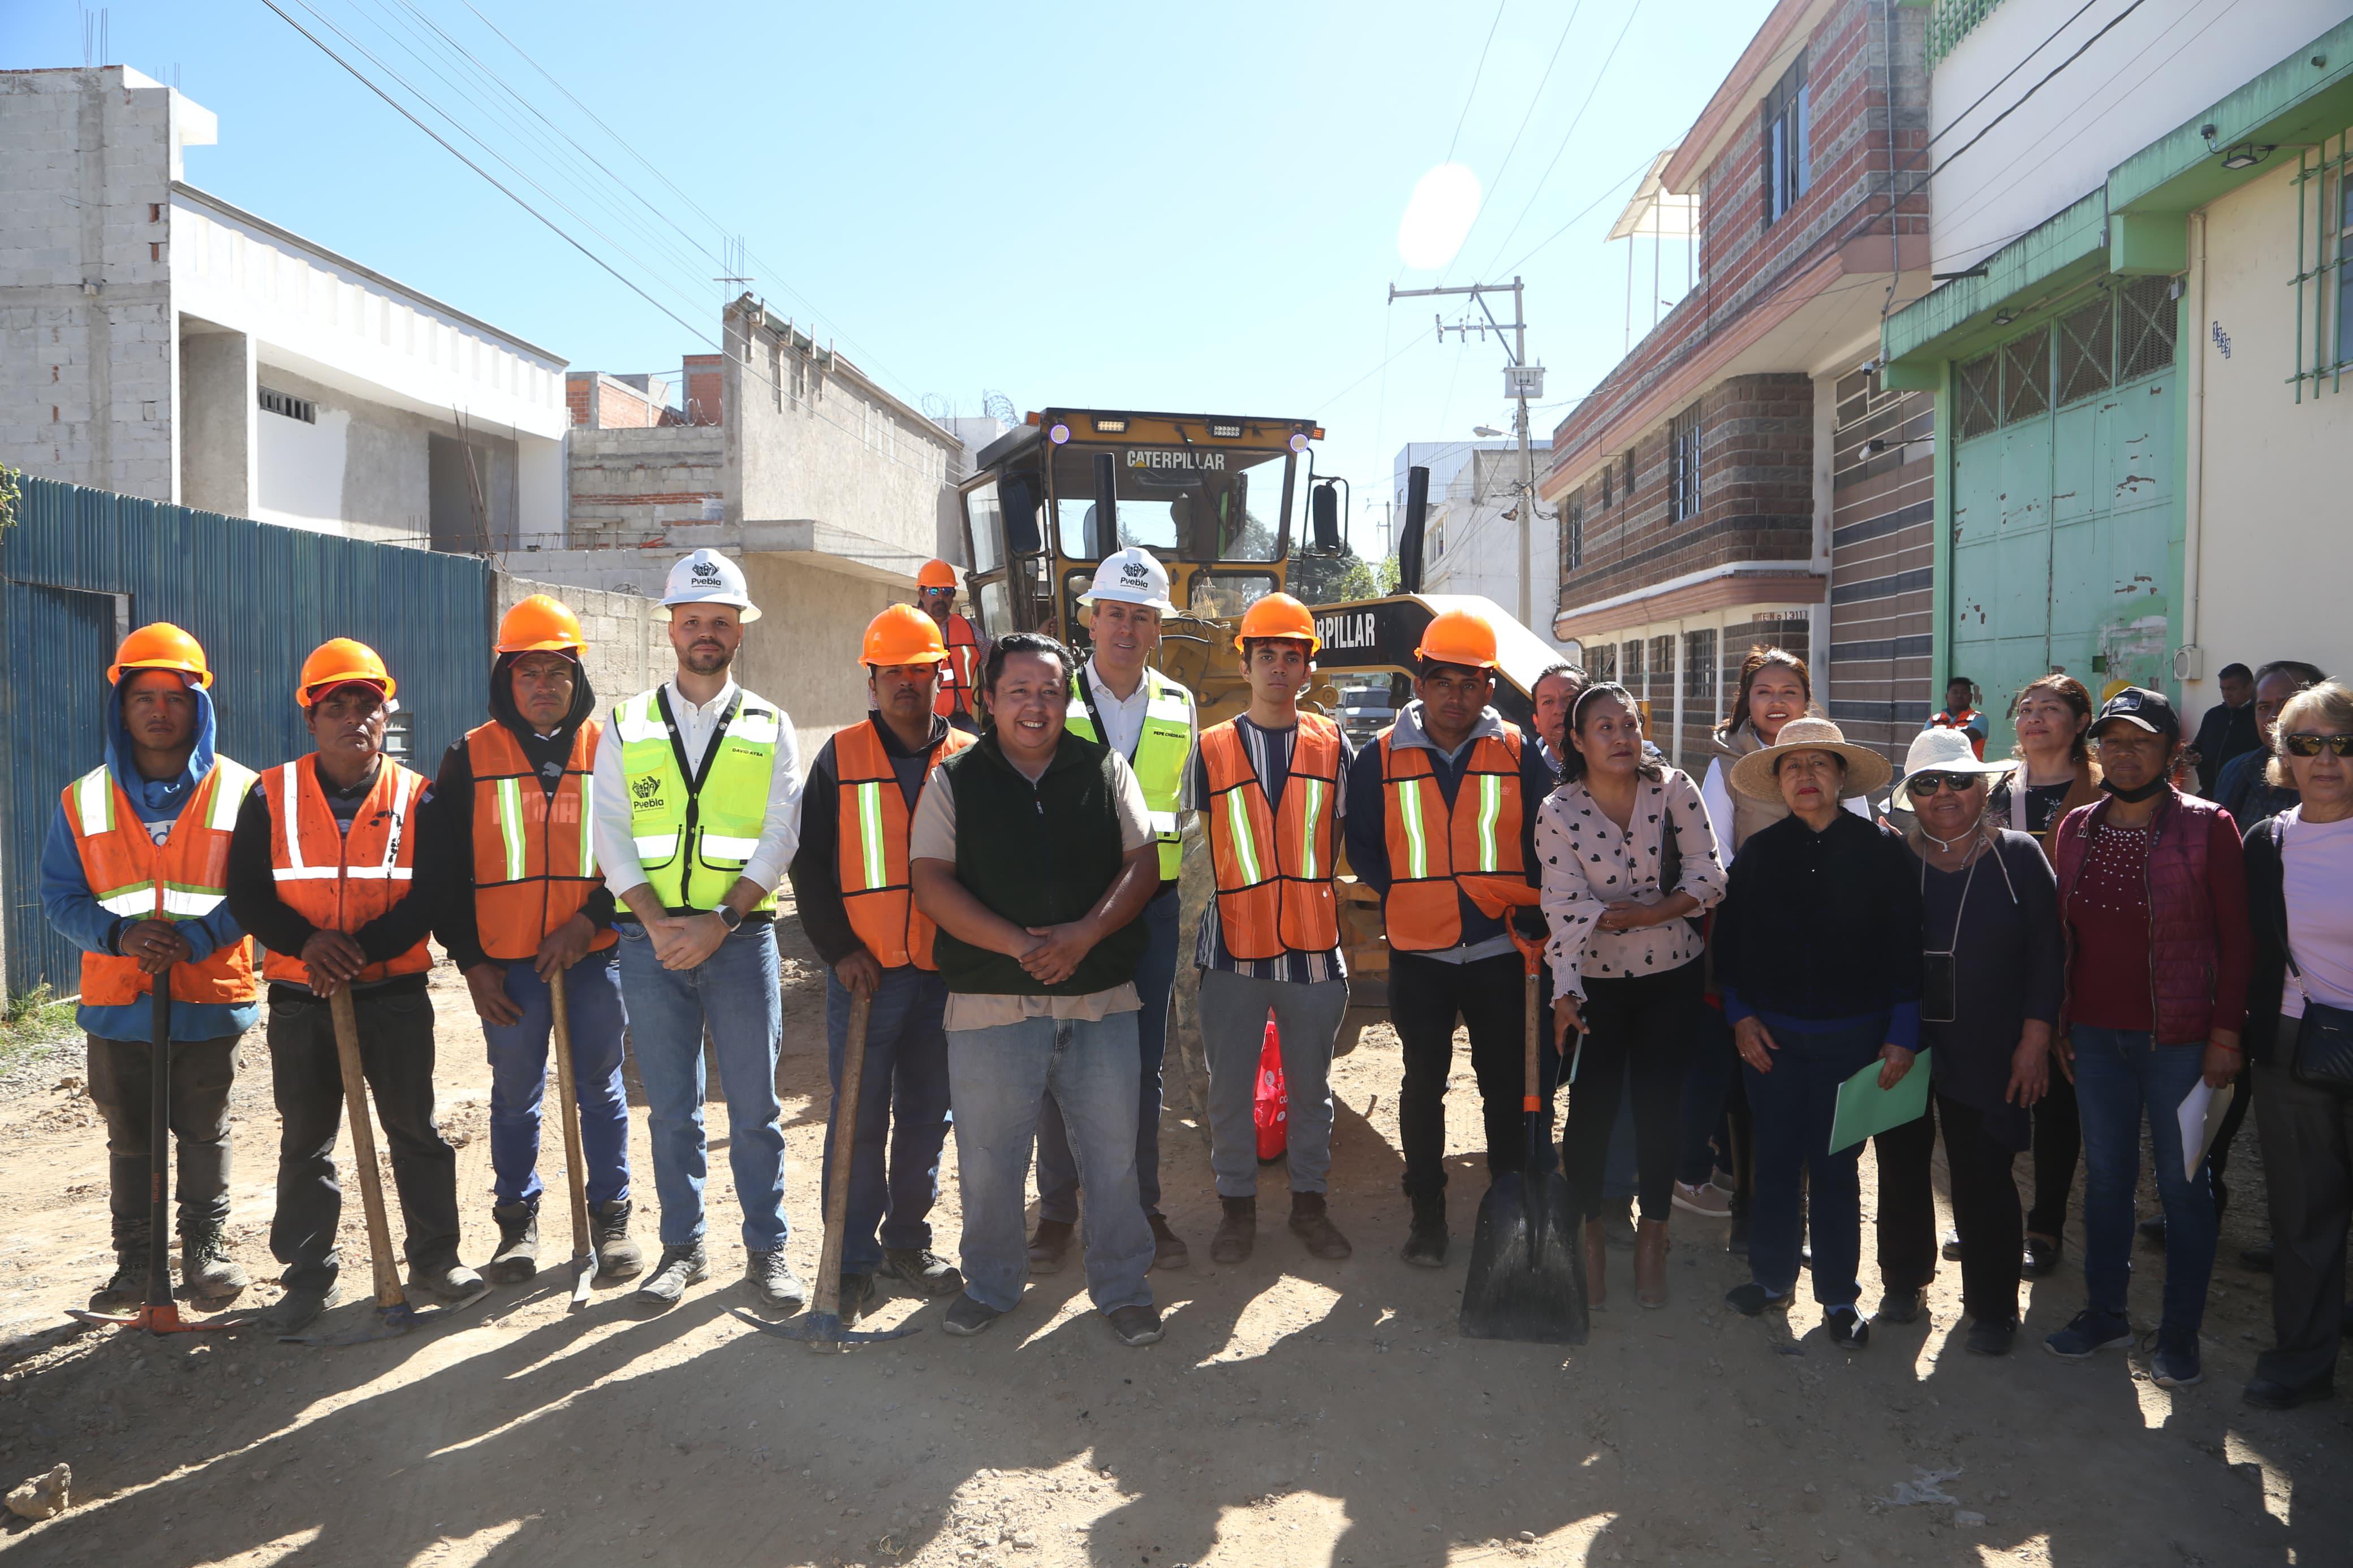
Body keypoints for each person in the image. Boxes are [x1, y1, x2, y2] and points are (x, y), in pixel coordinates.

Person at [910, 632, 1166, 1346]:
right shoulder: (953, 780)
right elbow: (930, 883)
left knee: (1113, 1156)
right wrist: (1022, 945)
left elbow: (1142, 865)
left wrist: (1084, 934)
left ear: (1066, 701)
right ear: (987, 701)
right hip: (991, 1003)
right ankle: (990, 1284)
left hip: (1099, 1000)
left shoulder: (1104, 768)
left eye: (1050, 691)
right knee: (989, 1161)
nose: (1035, 704)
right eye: (1017, 690)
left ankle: (1122, 1287)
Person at [225, 640, 479, 1333]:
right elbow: (246, 892)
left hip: (392, 994)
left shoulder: (418, 795)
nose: (352, 719)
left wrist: (359, 951)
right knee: (306, 1140)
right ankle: (309, 1276)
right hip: (302, 997)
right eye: (335, 705)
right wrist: (309, 944)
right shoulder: (267, 795)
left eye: (366, 705)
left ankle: (434, 1258)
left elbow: (433, 893)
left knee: (414, 1131)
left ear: (386, 713)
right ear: (310, 718)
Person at [592, 548, 806, 1312]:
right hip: (650, 949)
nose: (705, 633)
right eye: (693, 621)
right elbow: (610, 832)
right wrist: (656, 923)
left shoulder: (769, 725)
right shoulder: (626, 724)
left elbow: (782, 834)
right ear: (671, 629)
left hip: (740, 942)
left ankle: (768, 1249)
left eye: (720, 621)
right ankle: (682, 1249)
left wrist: (719, 922)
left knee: (756, 1110)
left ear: (739, 632)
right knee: (674, 1111)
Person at [41, 624, 258, 1311]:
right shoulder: (83, 800)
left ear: (200, 708)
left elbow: (258, 890)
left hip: (208, 993)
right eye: (144, 697)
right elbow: (60, 896)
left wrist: (193, 943)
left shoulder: (241, 791)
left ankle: (205, 1253)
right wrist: (121, 935)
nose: (160, 710)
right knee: (128, 1133)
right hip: (117, 997)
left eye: (175, 696)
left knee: (202, 1126)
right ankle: (135, 1264)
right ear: (121, 707)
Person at [423, 596, 639, 1288]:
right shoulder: (469, 755)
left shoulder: (611, 750)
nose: (543, 686)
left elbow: (637, 851)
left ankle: (611, 1218)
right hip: (508, 967)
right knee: (515, 1093)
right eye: (528, 672)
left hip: (591, 954)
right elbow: (445, 871)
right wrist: (473, 963)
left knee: (601, 1088)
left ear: (577, 679)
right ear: (505, 681)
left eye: (557, 671)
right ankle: (517, 1225)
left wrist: (588, 920)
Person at [2045, 686, 2249, 1388]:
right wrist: (2062, 1020)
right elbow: (2060, 938)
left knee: (2184, 1184)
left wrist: (2226, 1034)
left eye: (2140, 741)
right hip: (2096, 1039)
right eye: (2111, 740)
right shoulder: (2074, 828)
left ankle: (2178, 1333)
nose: (2123, 753)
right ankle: (2104, 1314)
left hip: (2183, 1042)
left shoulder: (2207, 825)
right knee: (2104, 1180)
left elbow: (2238, 939)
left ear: (2171, 751)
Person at [1344, 608, 1554, 1265]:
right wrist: (1411, 894)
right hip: (1420, 954)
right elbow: (1366, 847)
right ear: (1420, 683)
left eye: (1469, 684)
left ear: (1488, 689)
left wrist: (1527, 907)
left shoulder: (1519, 754)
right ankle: (1426, 1218)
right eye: (1442, 681)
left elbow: (1544, 844)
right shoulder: (1378, 758)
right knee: (1421, 1084)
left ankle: (1507, 1212)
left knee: (1504, 1085)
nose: (1455, 696)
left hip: (1502, 950)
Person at [786, 605, 974, 1316]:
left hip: (942, 973)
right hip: (866, 977)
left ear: (938, 677)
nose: (906, 683)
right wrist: (839, 951)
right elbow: (810, 869)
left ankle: (906, 1240)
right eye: (892, 671)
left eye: (918, 671)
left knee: (929, 1113)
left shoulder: (965, 755)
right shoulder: (839, 756)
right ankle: (853, 1256)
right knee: (860, 1116)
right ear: (872, 680)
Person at [1714, 717, 1918, 1349]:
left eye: (1818, 764)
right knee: (1772, 1162)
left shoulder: (1881, 850)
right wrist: (1740, 1018)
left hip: (1852, 1040)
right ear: (1777, 781)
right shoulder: (1758, 854)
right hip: (1769, 1040)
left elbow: (1906, 947)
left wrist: (1901, 1032)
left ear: (1839, 776)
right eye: (1791, 766)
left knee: (1835, 1169)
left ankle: (1837, 1297)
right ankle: (1772, 1278)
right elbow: (1730, 947)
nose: (1805, 776)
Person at [1032, 546, 1197, 1275]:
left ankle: (1140, 1207)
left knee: (1141, 1065)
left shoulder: (1178, 705)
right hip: (1064, 913)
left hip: (1149, 915)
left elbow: (1183, 817)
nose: (1125, 629)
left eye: (1140, 616)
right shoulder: (1049, 698)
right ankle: (1059, 1213)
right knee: (1054, 1057)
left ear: (1156, 628)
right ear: (1090, 619)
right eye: (1114, 614)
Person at [1538, 681, 1726, 1307]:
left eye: (1628, 724)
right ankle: (1589, 1238)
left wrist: (1647, 916)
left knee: (1659, 1111)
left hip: (1672, 978)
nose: (1620, 737)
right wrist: (1563, 995)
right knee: (1589, 1113)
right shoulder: (1558, 810)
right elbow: (1563, 912)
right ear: (1577, 740)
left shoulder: (1673, 789)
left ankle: (1653, 1238)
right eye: (1603, 727)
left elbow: (1709, 875)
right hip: (1596, 985)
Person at [1879, 729, 2061, 1355]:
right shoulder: (1892, 860)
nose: (1945, 794)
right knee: (1900, 1163)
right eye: (1927, 783)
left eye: (1958, 779)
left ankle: (1991, 1306)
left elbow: (2047, 955)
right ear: (1910, 797)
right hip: (1902, 1038)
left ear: (1985, 785)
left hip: (1990, 1041)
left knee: (1983, 1169)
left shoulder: (2017, 857)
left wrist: (2035, 1037)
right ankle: (1904, 1281)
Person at [1193, 595, 1356, 1265]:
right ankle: (1237, 1209)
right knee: (1229, 1086)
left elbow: (1338, 833)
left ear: (1307, 668)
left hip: (1313, 951)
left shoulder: (1333, 743)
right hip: (1232, 946)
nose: (1279, 669)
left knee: (1311, 1089)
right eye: (1267, 656)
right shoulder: (1210, 748)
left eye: (1292, 657)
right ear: (1246, 661)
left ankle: (1309, 1206)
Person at [1689, 648, 1864, 1228]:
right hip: (1754, 929)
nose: (1776, 701)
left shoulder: (1832, 753)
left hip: (1830, 936)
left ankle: (1804, 1209)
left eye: (1788, 691)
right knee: (1755, 1068)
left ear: (1805, 699)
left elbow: (1856, 836)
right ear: (1746, 700)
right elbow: (1716, 851)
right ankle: (1748, 1202)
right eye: (1763, 691)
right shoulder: (1724, 761)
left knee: (1819, 1077)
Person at [2238, 681, 2353, 1408]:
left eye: (2342, 743)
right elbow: (2248, 947)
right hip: (2291, 1044)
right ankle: (2301, 1362)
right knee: (2303, 1214)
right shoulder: (2266, 841)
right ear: (2281, 757)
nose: (2325, 759)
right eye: (2306, 744)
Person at [1984, 673, 2101, 1278]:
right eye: (2024, 707)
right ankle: (1989, 1211)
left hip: (2077, 969)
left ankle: (2044, 1224)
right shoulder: (1995, 788)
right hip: (2000, 966)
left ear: (2078, 722)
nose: (2033, 718)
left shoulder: (2104, 793)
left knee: (2056, 1103)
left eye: (2049, 709)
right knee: (1993, 1093)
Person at [2217, 662, 2328, 826]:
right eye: (2264, 707)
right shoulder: (2235, 771)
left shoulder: (2336, 777)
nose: (2273, 717)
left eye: (2287, 704)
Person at [917, 559, 984, 735]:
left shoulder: (967, 629)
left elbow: (998, 656)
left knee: (979, 757)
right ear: (921, 593)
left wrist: (1037, 635)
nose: (940, 597)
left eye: (947, 591)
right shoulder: (908, 628)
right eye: (933, 591)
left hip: (961, 721)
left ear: (953, 595)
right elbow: (881, 678)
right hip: (922, 722)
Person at [2189, 662, 2259, 797]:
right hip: (2210, 793)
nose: (2226, 694)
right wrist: (2192, 756)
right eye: (2223, 689)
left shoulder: (2259, 717)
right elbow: (2197, 747)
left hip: (2245, 797)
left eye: (2232, 689)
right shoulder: (2213, 715)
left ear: (2249, 687)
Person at [1528, 662, 1587, 777]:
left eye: (1570, 698)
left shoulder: (1621, 766)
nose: (1559, 710)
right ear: (1537, 721)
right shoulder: (1526, 775)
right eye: (1548, 702)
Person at [1925, 677, 1990, 761]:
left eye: (1964, 692)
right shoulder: (1933, 720)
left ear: (1971, 698)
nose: (1959, 695)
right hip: (1938, 772)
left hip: (1969, 773)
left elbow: (1962, 740)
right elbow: (1924, 743)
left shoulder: (1980, 719)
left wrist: (1936, 741)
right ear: (1947, 697)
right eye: (1955, 692)